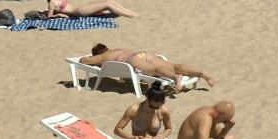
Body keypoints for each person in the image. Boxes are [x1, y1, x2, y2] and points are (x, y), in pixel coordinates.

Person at [80, 45, 214, 89]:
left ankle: (174, 77)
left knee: (154, 71)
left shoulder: (105, 56)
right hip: (143, 54)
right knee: (174, 65)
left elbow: (85, 60)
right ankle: (202, 73)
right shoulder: (117, 49)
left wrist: (92, 59)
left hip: (132, 60)